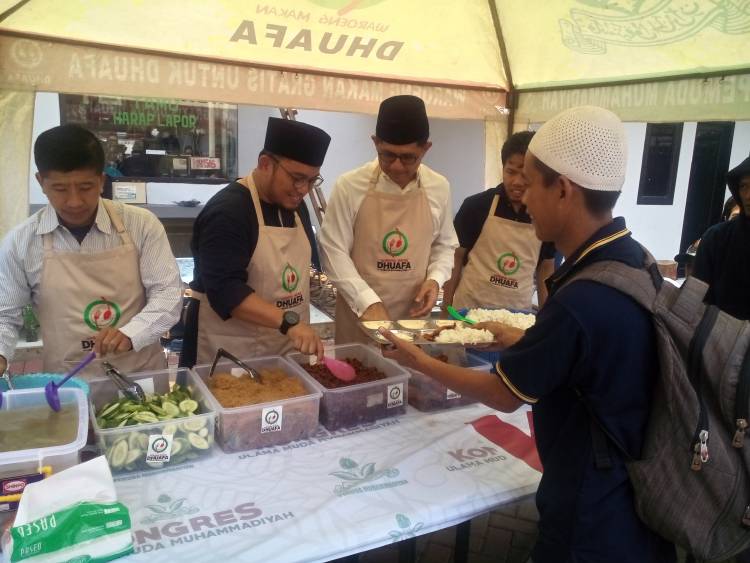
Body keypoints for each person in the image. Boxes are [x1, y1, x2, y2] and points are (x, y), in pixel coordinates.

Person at [380, 106, 676, 563]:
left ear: (562, 189)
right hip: (635, 498)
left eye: (532, 184)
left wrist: (418, 360)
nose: (524, 197)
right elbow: (593, 358)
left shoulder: (582, 300)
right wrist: (522, 340)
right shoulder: (636, 261)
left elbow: (503, 394)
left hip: (589, 517)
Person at [0, 124, 183, 377]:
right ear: (41, 182)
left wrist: (131, 333)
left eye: (85, 187)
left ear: (101, 181)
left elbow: (168, 293)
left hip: (139, 373)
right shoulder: (21, 241)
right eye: (60, 189)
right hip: (68, 381)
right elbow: (5, 315)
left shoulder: (141, 224)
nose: (74, 201)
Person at [188, 117, 331, 365]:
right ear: (265, 164)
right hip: (229, 352)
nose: (304, 189)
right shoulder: (228, 211)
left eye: (311, 180)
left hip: (283, 348)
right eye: (297, 178)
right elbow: (226, 290)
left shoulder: (296, 206)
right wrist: (289, 322)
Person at [319, 95, 458, 344]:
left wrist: (435, 279)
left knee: (409, 377)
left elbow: (445, 245)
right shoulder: (350, 186)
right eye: (387, 155)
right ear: (375, 143)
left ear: (426, 148)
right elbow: (333, 251)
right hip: (358, 317)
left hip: (411, 321)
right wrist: (367, 302)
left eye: (408, 157)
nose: (396, 166)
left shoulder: (439, 187)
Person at [444, 131, 555, 312]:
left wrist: (547, 319)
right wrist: (445, 310)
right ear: (502, 168)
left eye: (525, 174)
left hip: (518, 317)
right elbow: (456, 258)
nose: (517, 182)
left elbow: (546, 269)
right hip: (469, 313)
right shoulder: (476, 206)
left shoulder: (546, 215)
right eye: (510, 172)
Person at [693, 156, 750, 320]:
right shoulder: (716, 238)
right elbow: (697, 300)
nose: (747, 195)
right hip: (717, 339)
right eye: (743, 186)